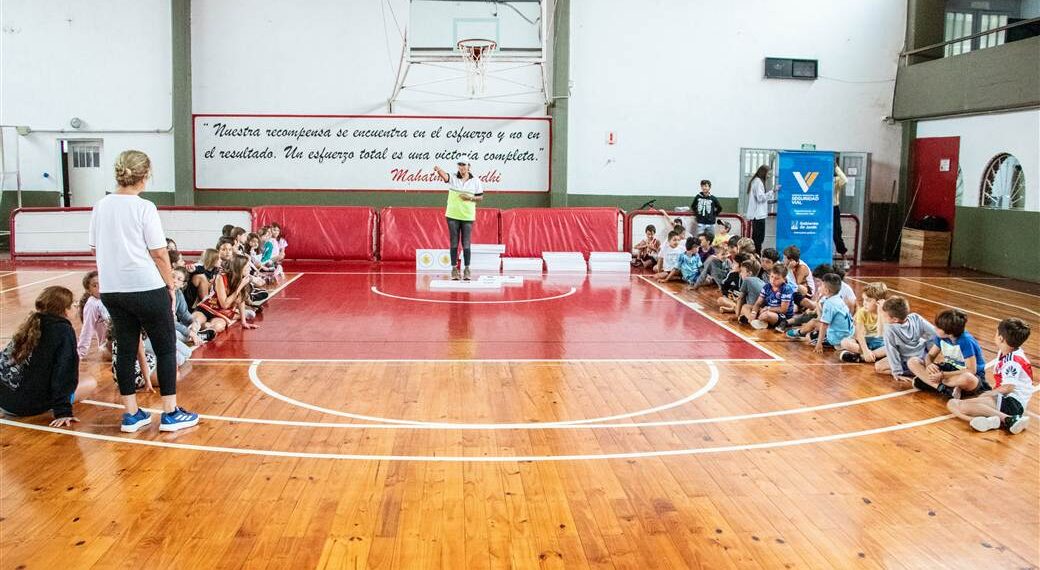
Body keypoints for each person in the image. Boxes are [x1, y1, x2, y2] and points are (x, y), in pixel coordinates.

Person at [88, 149, 198, 433]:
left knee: (124, 348)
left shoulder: (100, 206)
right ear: (145, 176)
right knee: (164, 347)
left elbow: (94, 247)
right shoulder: (144, 207)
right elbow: (160, 253)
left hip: (113, 289)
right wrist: (170, 286)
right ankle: (171, 412)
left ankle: (131, 414)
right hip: (146, 286)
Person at [0, 287, 98, 427]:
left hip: (3, 399)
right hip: (23, 406)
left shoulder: (32, 322)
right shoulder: (63, 331)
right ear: (65, 310)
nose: (76, 308)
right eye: (74, 304)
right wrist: (63, 411)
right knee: (90, 382)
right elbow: (64, 373)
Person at [948, 318, 1032, 434]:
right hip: (1005, 399)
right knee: (953, 404)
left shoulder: (1012, 361)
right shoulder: (1007, 351)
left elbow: (1008, 387)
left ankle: (1009, 419)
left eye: (996, 332)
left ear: (1001, 338)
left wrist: (989, 393)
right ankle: (991, 421)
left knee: (961, 406)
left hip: (1012, 403)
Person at [908, 309, 989, 398]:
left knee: (967, 378)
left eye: (938, 327)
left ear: (949, 332)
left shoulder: (966, 341)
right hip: (949, 370)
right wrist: (929, 365)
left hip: (968, 374)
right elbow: (930, 355)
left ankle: (930, 382)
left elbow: (971, 370)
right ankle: (943, 388)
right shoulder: (940, 337)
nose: (935, 328)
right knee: (912, 361)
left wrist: (943, 375)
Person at [434, 161, 484, 281]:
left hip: (467, 216)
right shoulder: (453, 177)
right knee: (454, 242)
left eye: (464, 165)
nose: (462, 167)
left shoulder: (475, 180)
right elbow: (445, 176)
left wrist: (469, 197)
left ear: (469, 167)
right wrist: (439, 170)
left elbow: (480, 197)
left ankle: (467, 269)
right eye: (460, 165)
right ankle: (454, 269)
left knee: (466, 243)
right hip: (452, 215)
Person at [875, 296, 935, 380]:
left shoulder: (889, 329)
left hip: (907, 361)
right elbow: (934, 333)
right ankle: (920, 368)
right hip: (923, 355)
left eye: (885, 316)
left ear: (895, 319)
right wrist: (929, 351)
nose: (884, 318)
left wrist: (897, 372)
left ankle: (917, 372)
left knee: (878, 366)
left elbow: (892, 350)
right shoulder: (915, 317)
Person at [839, 282, 889, 363]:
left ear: (879, 302)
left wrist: (880, 312)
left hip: (881, 344)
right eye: (864, 299)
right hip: (864, 343)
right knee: (845, 342)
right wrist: (865, 351)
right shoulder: (862, 312)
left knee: (893, 347)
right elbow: (860, 334)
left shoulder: (887, 313)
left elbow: (882, 334)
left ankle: (861, 357)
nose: (864, 303)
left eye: (868, 300)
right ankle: (872, 355)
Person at [812, 274, 854, 353]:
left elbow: (824, 325)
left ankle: (839, 346)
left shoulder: (829, 303)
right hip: (849, 333)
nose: (819, 287)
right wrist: (817, 303)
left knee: (809, 337)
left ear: (827, 291)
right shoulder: (838, 297)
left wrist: (819, 344)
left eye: (821, 285)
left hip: (837, 337)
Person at [76, 270, 111, 360]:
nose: (99, 287)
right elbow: (87, 329)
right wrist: (80, 354)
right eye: (95, 285)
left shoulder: (112, 297)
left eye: (101, 283)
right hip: (109, 346)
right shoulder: (92, 304)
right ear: (88, 290)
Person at [748, 265, 795, 330]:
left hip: (783, 316)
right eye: (772, 276)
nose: (773, 280)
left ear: (784, 279)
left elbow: (783, 310)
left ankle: (759, 321)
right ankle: (754, 320)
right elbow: (758, 303)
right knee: (746, 307)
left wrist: (768, 308)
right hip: (767, 311)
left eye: (777, 278)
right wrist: (753, 313)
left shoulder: (786, 289)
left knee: (767, 315)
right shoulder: (767, 286)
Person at [745, 165, 774, 254]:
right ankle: (756, 256)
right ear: (763, 173)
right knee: (758, 239)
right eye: (768, 174)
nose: (769, 176)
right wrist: (773, 191)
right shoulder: (758, 182)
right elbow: (760, 198)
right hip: (758, 216)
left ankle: (755, 255)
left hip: (757, 215)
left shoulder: (756, 181)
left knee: (757, 239)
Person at [734, 259, 765, 325]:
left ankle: (752, 321)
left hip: (752, 308)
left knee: (744, 307)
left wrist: (737, 315)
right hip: (761, 310)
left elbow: (740, 298)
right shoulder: (762, 281)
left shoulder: (747, 280)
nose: (740, 273)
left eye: (742, 271)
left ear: (749, 273)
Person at [832, 158, 849, 267]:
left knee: (837, 234)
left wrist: (836, 167)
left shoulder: (836, 179)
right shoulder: (820, 178)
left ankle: (844, 259)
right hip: (822, 209)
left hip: (834, 208)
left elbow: (845, 180)